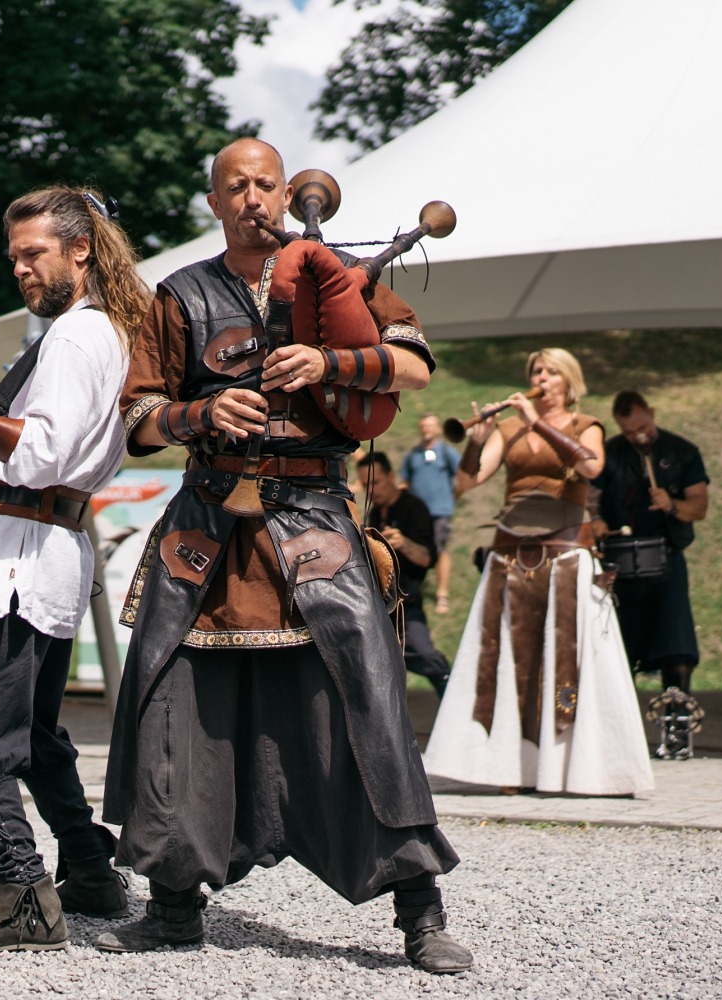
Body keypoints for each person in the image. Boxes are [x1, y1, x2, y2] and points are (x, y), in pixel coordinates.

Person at [101, 138, 471, 974]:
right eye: (236, 186)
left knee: (368, 709)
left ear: (285, 191)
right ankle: (171, 908)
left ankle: (420, 910)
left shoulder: (339, 272)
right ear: (214, 201)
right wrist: (197, 416)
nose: (254, 198)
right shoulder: (182, 294)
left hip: (314, 521)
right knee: (173, 709)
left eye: (266, 183)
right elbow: (138, 418)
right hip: (208, 530)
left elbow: (412, 366)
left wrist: (331, 359)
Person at [0, 185, 149, 953]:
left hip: (17, 556)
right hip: (37, 550)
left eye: (33, 253)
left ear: (82, 250)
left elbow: (41, 451)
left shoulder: (78, 338)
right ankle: (89, 869)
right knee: (35, 735)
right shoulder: (90, 332)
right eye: (13, 257)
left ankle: (21, 896)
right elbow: (33, 442)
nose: (19, 269)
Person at [424, 349, 653, 796]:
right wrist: (478, 438)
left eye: (550, 372)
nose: (541, 378)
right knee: (508, 663)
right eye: (535, 371)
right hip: (510, 553)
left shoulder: (586, 425)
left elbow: (591, 467)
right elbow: (467, 482)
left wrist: (538, 422)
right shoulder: (508, 428)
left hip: (567, 552)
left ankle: (574, 769)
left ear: (569, 381)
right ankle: (511, 769)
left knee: (566, 660)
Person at [593, 390, 710, 756]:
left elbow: (699, 507)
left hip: (666, 559)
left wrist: (671, 504)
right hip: (620, 563)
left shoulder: (683, 451)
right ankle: (620, 738)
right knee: (619, 649)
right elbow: (590, 497)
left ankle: (677, 735)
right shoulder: (609, 453)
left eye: (643, 427)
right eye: (629, 432)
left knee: (675, 647)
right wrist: (595, 521)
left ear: (652, 414)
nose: (638, 436)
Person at [358, 450, 451, 694]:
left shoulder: (413, 507)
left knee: (427, 657)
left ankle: (453, 707)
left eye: (376, 482)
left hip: (407, 604)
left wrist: (403, 543)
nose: (372, 490)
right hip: (380, 607)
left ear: (391, 476)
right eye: (367, 485)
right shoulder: (375, 513)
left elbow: (428, 557)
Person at [401, 414, 461, 613]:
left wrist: (451, 499)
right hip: (417, 514)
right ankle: (413, 590)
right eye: (423, 426)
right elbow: (404, 482)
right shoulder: (413, 456)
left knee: (439, 549)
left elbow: (462, 477)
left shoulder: (446, 453)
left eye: (430, 426)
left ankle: (442, 594)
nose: (426, 430)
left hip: (440, 511)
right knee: (416, 548)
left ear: (437, 429)